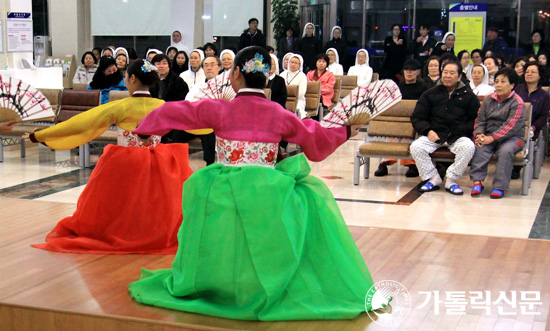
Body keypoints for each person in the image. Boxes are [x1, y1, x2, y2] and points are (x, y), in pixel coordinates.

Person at [128, 46, 383, 321]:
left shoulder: (219, 109)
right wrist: (346, 129)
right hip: (268, 190)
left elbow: (178, 111)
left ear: (236, 74)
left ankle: (218, 284)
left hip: (223, 187)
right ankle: (266, 287)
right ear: (268, 74)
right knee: (271, 239)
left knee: (218, 237)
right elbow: (315, 138)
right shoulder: (280, 113)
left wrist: (145, 129)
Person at [26, 59, 193, 254]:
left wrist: (40, 135)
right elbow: (196, 118)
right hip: (159, 161)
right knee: (156, 202)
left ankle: (125, 233)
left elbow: (81, 123)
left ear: (131, 78)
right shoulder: (162, 105)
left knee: (120, 202)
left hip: (126, 162)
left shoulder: (121, 106)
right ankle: (150, 233)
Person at [410, 61, 480, 195]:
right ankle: (433, 178)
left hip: (457, 136)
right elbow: (417, 118)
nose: (448, 76)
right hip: (435, 135)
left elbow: (474, 120)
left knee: (468, 147)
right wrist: (428, 131)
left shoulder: (468, 96)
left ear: (459, 77)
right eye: (445, 73)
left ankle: (451, 179)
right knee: (416, 147)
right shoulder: (429, 94)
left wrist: (462, 130)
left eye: (452, 73)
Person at [469, 68, 524, 199]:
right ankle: (477, 182)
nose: (498, 85)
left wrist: (492, 138)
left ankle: (499, 187)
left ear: (512, 85)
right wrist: (479, 135)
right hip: (488, 134)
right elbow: (480, 119)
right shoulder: (488, 99)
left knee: (505, 151)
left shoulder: (517, 102)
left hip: (512, 137)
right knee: (480, 147)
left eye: (503, 82)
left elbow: (511, 126)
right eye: (497, 81)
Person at [375, 59, 425, 177]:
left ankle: (411, 164)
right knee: (391, 130)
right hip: (398, 120)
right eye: (407, 70)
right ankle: (384, 162)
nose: (409, 72)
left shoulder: (424, 88)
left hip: (415, 120)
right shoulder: (397, 87)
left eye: (412, 70)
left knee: (410, 131)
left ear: (418, 72)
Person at [179, 55, 221, 166]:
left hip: (215, 124)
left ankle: (209, 164)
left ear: (219, 67)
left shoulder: (226, 86)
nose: (209, 68)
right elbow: (187, 102)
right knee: (178, 129)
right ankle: (176, 160)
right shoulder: (198, 86)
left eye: (212, 65)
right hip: (196, 122)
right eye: (206, 65)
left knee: (208, 131)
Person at [513, 62, 550, 178]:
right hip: (513, 124)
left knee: (525, 137)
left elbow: (543, 117)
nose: (529, 74)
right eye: (527, 72)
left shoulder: (544, 95)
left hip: (531, 128)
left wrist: (533, 127)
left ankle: (516, 167)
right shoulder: (516, 90)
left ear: (540, 76)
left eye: (533, 72)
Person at [280, 54, 307, 119]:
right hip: (283, 99)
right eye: (292, 62)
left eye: (296, 63)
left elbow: (301, 92)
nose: (293, 64)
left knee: (295, 109)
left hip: (297, 100)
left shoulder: (302, 76)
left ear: (299, 65)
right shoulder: (283, 74)